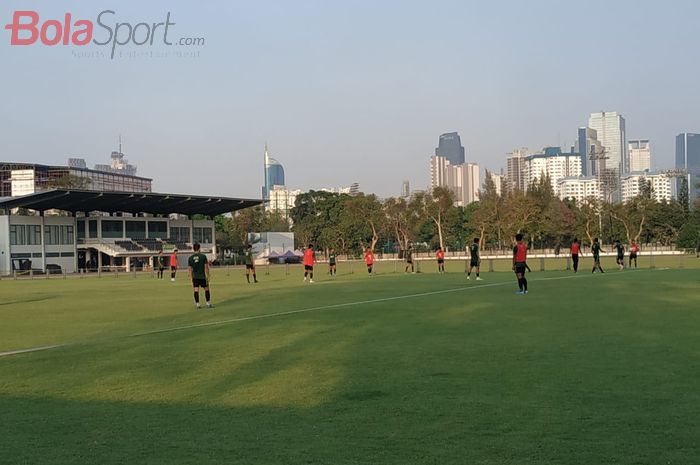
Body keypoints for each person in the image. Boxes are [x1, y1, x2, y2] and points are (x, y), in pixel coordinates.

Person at [188, 242, 212, 309]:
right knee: (206, 289)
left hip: (195, 277)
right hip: (202, 276)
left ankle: (198, 304)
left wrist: (190, 277)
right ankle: (208, 303)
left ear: (193, 249)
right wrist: (208, 275)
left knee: (196, 290)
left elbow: (189, 268)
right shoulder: (203, 256)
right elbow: (206, 267)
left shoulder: (190, 258)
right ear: (199, 248)